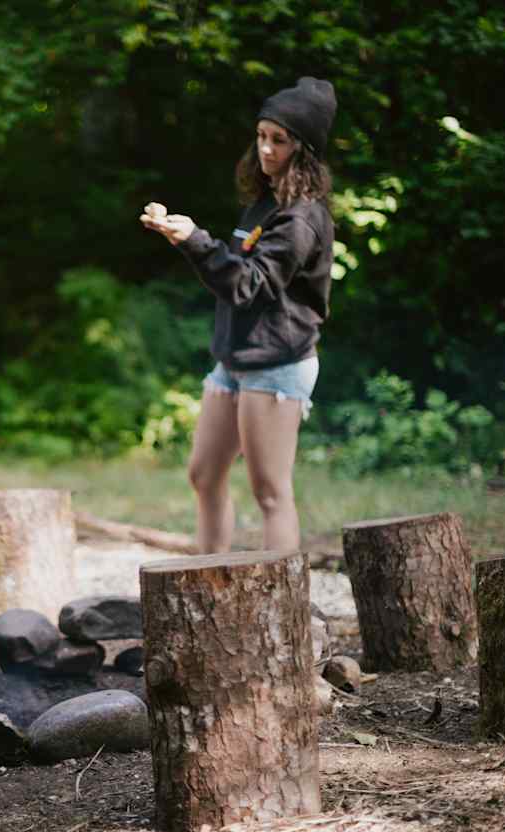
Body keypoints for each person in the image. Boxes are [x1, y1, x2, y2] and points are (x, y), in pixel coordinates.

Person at [140, 77, 337, 553]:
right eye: (262, 135)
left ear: (303, 149)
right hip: (234, 360)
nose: (266, 149)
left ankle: (284, 611)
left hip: (278, 365)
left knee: (270, 492)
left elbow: (249, 285)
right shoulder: (264, 205)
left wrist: (195, 241)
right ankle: (206, 586)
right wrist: (188, 239)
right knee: (204, 475)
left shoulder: (300, 219)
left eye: (279, 140)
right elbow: (234, 273)